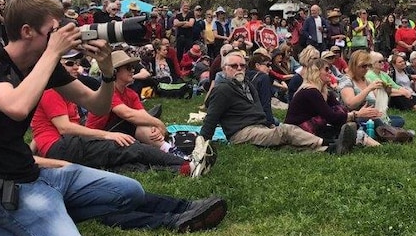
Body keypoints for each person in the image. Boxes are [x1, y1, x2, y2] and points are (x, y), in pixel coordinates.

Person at [0, 0, 202, 236]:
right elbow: (16, 106)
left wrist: (106, 72)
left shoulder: (44, 64)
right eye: (54, 31)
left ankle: (57, 215)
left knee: (130, 190)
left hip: (35, 173)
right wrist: (53, 52)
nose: (64, 38)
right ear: (27, 31)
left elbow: (97, 105)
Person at [31, 50, 206, 176]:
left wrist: (30, 154)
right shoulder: (52, 90)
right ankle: (187, 162)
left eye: (77, 63)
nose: (76, 67)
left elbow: (40, 132)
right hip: (69, 143)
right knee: (132, 149)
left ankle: (183, 168)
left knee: (120, 165)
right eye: (70, 64)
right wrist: (109, 136)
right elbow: (64, 128)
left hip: (70, 144)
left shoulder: (65, 91)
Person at [200, 51, 356, 154]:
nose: (239, 69)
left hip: (260, 127)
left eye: (242, 65)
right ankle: (330, 144)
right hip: (241, 132)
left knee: (286, 145)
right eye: (234, 66)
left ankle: (328, 149)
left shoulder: (247, 85)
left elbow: (260, 110)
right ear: (224, 68)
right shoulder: (222, 90)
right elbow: (211, 118)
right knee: (287, 131)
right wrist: (201, 145)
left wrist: (269, 124)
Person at [285, 58, 380, 146]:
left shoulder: (326, 92)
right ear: (316, 72)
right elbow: (331, 117)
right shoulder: (310, 91)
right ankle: (376, 143)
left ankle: (377, 142)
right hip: (299, 132)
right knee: (342, 127)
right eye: (326, 69)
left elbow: (341, 111)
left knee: (345, 121)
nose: (330, 72)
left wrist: (354, 115)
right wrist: (357, 114)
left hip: (315, 129)